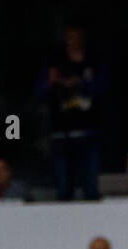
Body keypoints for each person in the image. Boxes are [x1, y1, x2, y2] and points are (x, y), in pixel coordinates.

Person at [40, 20, 104, 201]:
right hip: (61, 134)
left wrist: (81, 83)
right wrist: (52, 83)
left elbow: (104, 88)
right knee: (63, 188)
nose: (73, 39)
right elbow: (40, 93)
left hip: (87, 132)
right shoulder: (55, 62)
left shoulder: (92, 61)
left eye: (77, 36)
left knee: (91, 187)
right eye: (70, 36)